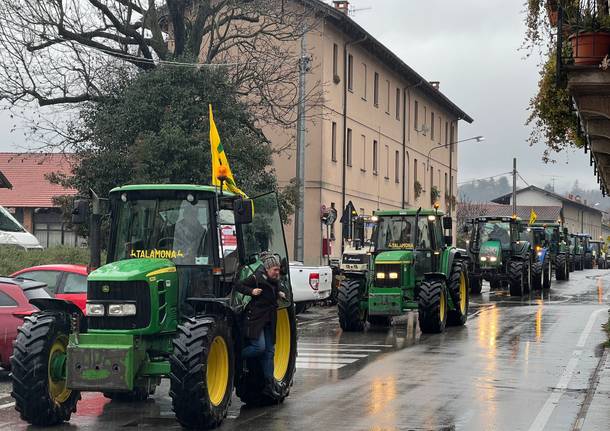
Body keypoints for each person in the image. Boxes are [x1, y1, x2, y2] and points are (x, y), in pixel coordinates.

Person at [236, 252, 287, 398]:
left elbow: (277, 291)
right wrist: (251, 291)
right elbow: (238, 285)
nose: (277, 273)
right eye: (275, 270)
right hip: (256, 320)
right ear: (267, 269)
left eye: (278, 269)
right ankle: (237, 357)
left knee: (269, 352)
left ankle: (269, 385)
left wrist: (280, 293)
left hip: (269, 320)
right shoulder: (256, 278)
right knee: (260, 348)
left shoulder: (275, 281)